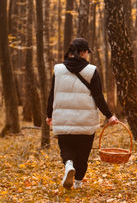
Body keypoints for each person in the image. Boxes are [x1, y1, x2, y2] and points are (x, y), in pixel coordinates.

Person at [46, 38, 118, 190]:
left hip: (63, 119)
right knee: (83, 154)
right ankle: (78, 183)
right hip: (86, 121)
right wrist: (109, 115)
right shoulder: (92, 71)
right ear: (84, 52)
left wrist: (49, 114)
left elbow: (52, 94)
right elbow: (99, 97)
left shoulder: (58, 69)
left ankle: (68, 164)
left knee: (66, 148)